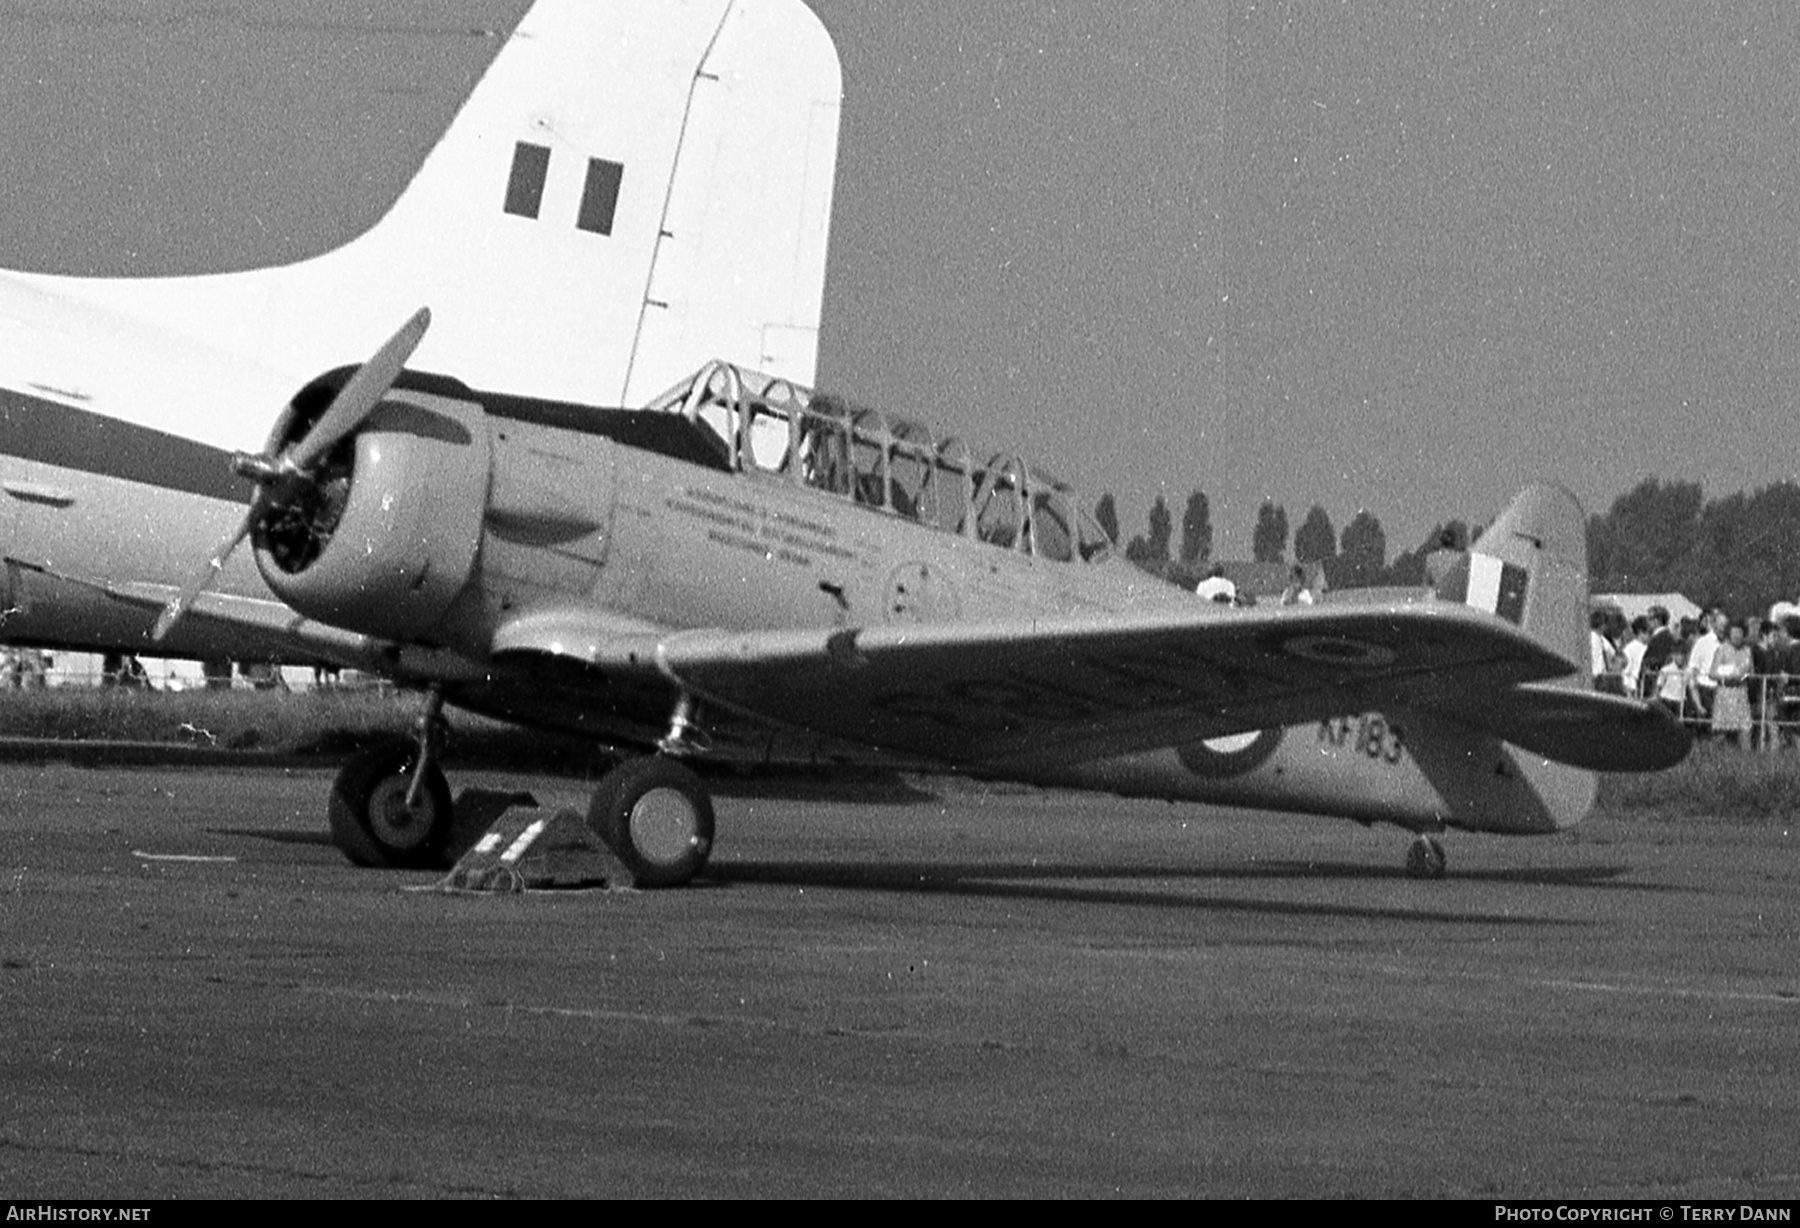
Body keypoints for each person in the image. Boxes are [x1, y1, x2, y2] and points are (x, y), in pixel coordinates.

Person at [1709, 619, 1753, 746]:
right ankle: (1712, 755)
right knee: (1722, 731)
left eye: (1739, 632)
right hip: (1725, 692)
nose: (1736, 636)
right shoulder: (1722, 649)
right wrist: (1726, 676)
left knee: (1745, 728)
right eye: (1734, 633)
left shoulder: (1747, 651)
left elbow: (1751, 671)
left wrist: (1744, 676)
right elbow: (1712, 673)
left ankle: (1747, 759)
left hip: (1741, 692)